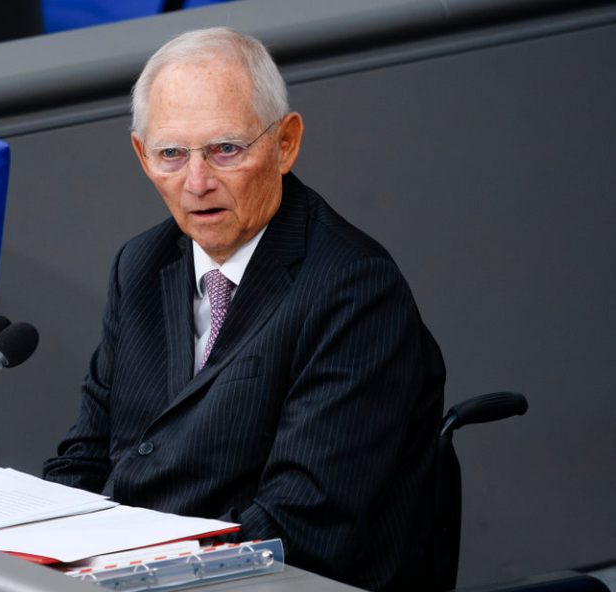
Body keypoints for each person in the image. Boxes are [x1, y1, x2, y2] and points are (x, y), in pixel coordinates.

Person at [42, 27, 446, 591]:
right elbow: (86, 456)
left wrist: (134, 572)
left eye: (226, 149)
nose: (197, 182)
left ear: (285, 143)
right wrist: (36, 547)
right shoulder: (141, 264)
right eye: (172, 154)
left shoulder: (353, 289)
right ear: (141, 154)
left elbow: (299, 526)